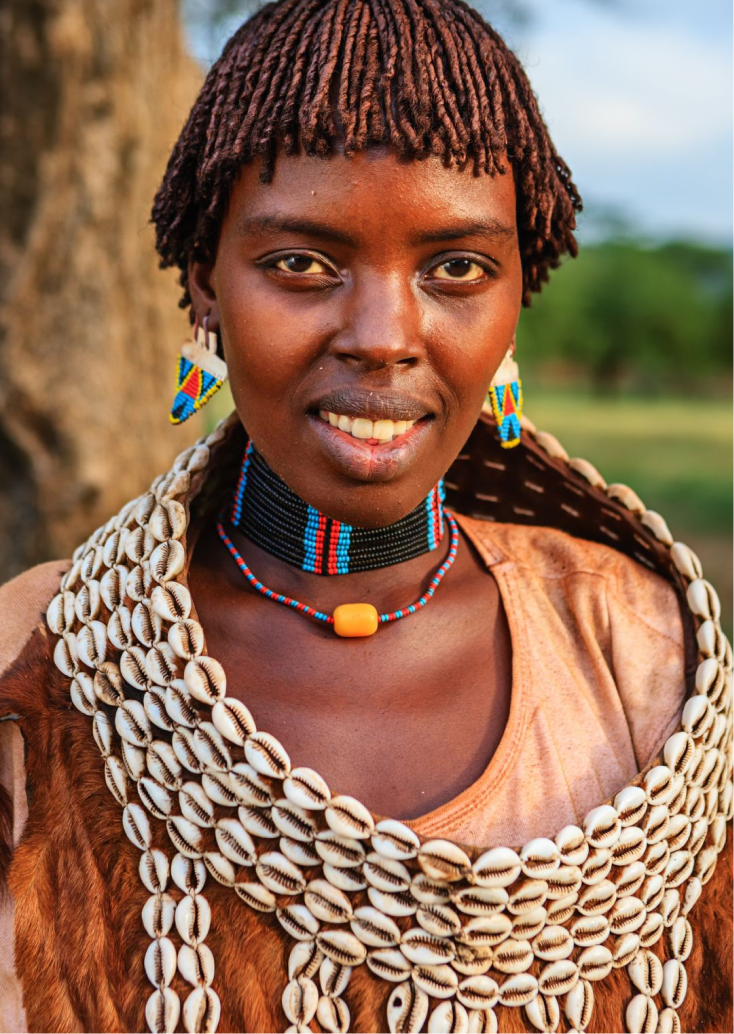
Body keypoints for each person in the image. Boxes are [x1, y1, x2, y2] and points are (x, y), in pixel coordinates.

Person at [0, 1, 731, 1032]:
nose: (383, 337)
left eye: (455, 269)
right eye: (301, 263)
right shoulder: (39, 658)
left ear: (517, 294)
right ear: (204, 285)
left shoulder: (638, 650)